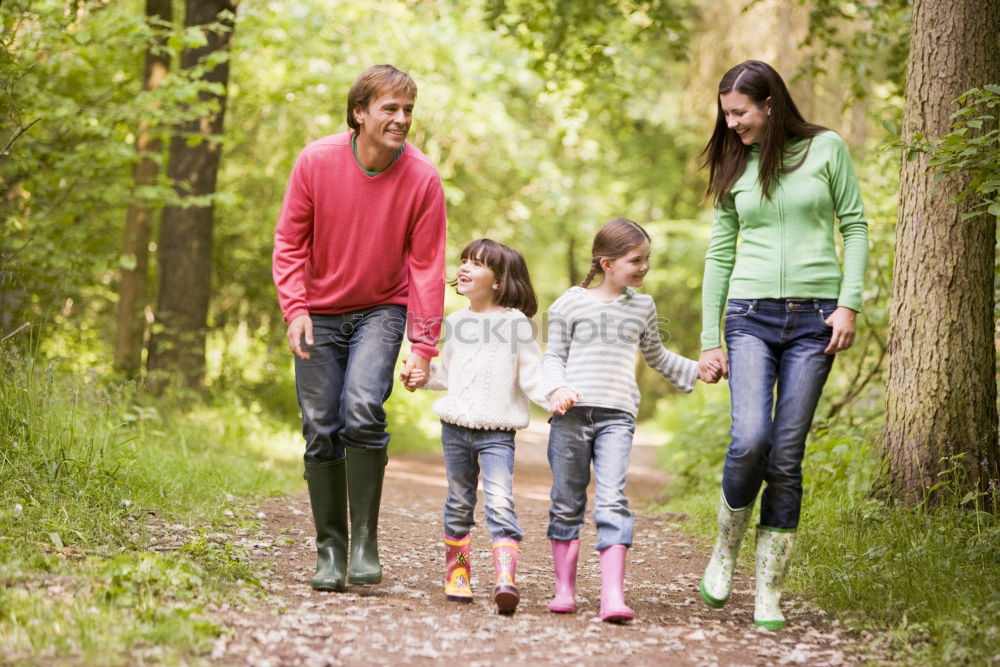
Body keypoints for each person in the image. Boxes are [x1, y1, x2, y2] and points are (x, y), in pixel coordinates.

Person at [697, 60, 868, 630]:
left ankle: (768, 591)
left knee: (787, 457)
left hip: (817, 318)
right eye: (725, 113)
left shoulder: (826, 150)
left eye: (739, 112)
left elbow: (855, 226)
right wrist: (707, 340)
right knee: (750, 439)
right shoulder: (733, 164)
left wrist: (849, 303)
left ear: (769, 104)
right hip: (749, 316)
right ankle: (725, 549)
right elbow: (720, 253)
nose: (731, 123)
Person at [272, 64, 447, 593]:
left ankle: (364, 541)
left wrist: (423, 344)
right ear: (360, 112)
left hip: (380, 309)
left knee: (362, 408)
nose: (401, 119)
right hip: (318, 312)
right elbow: (289, 243)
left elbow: (427, 266)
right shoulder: (316, 161)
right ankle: (330, 548)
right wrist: (295, 308)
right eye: (390, 108)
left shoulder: (422, 177)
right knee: (321, 425)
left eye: (408, 110)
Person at [543, 217, 709, 623]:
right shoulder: (569, 303)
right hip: (571, 416)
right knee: (567, 502)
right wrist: (557, 388)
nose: (643, 267)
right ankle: (564, 589)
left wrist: (697, 370)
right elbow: (552, 357)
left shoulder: (643, 306)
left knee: (613, 499)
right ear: (606, 263)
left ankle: (612, 596)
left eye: (646, 259)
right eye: (636, 260)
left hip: (618, 416)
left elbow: (657, 357)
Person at [405, 239, 553, 615]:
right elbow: (449, 374)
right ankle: (458, 574)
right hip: (455, 428)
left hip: (497, 433)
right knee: (458, 501)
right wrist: (422, 375)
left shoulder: (516, 325)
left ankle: (506, 579)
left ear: (500, 280)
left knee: (500, 501)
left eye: (478, 264)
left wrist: (557, 396)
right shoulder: (455, 322)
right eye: (464, 261)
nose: (465, 268)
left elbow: (532, 377)